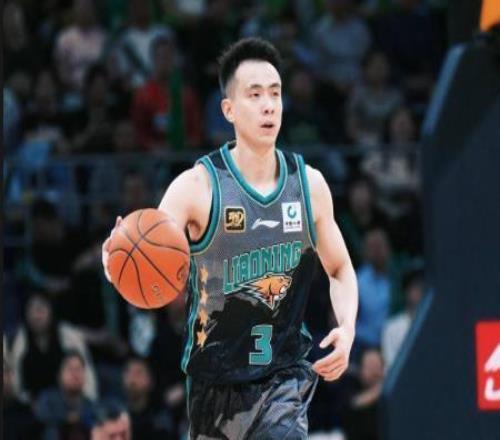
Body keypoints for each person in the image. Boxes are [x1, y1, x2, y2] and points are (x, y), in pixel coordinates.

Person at [102, 37, 358, 439]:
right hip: (214, 385)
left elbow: (340, 267)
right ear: (229, 110)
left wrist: (347, 327)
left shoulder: (309, 186)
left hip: (282, 380)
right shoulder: (196, 187)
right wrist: (117, 259)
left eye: (275, 93)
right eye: (255, 95)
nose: (268, 105)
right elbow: (149, 253)